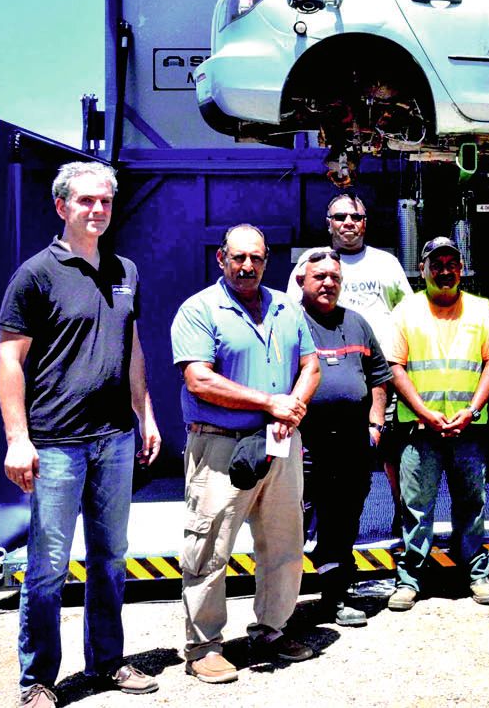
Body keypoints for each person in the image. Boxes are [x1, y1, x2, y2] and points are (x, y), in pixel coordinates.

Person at [0, 161, 162, 706]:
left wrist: (147, 414)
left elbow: (131, 347)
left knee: (110, 557)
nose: (97, 210)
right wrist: (18, 439)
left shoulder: (125, 270)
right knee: (47, 567)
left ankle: (107, 663)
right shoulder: (36, 274)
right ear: (62, 206)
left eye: (105, 202)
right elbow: (9, 361)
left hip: (114, 439)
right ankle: (38, 678)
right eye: (86, 201)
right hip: (57, 443)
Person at [171, 224, 321, 683]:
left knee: (283, 542)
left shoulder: (285, 307)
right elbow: (199, 379)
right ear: (221, 259)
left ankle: (272, 629)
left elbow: (310, 365)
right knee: (210, 545)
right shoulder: (199, 310)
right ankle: (204, 646)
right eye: (238, 257)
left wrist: (292, 407)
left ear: (266, 259)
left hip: (280, 441)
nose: (247, 266)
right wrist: (268, 402)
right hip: (220, 444)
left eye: (255, 258)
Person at [385, 237, 489, 611]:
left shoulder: (481, 310)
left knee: (472, 502)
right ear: (423, 269)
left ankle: (476, 573)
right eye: (436, 264)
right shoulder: (405, 311)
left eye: (452, 263)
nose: (444, 270)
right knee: (416, 507)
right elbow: (394, 367)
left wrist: (470, 410)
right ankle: (409, 580)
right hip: (419, 431)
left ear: (461, 267)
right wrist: (424, 413)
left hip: (467, 428)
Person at [288, 192, 411, 538]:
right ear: (329, 223)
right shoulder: (310, 264)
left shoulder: (386, 264)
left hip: (377, 380)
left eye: (355, 217)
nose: (348, 223)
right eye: (340, 217)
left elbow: (407, 314)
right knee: (316, 463)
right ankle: (310, 529)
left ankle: (401, 513)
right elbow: (290, 317)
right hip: (322, 380)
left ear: (365, 223)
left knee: (391, 453)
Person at [294, 247, 391, 627]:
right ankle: (279, 611)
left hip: (352, 445)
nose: (328, 283)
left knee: (342, 523)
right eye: (320, 277)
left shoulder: (357, 323)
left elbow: (379, 377)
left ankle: (335, 598)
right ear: (302, 280)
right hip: (303, 446)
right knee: (291, 527)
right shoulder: (287, 322)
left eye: (335, 277)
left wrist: (375, 425)